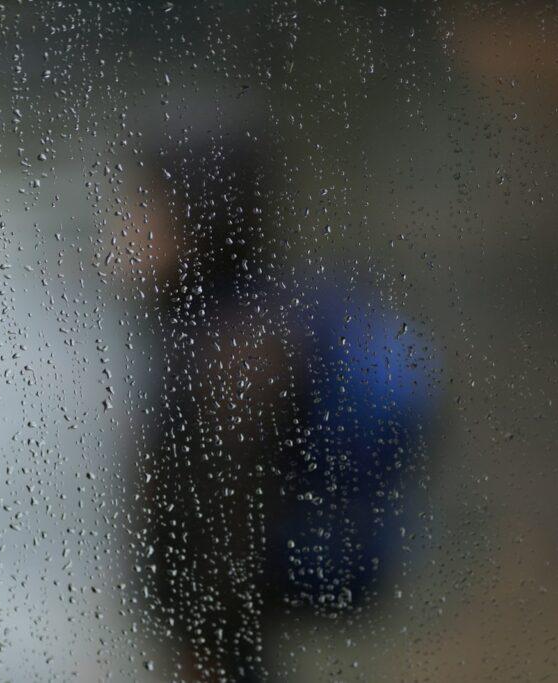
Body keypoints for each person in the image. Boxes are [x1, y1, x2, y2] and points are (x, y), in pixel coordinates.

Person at [121, 106, 441, 681]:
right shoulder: (262, 315)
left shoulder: (231, 351)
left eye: (147, 209)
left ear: (195, 220)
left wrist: (199, 649)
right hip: (252, 616)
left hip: (227, 629)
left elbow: (223, 533)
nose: (126, 232)